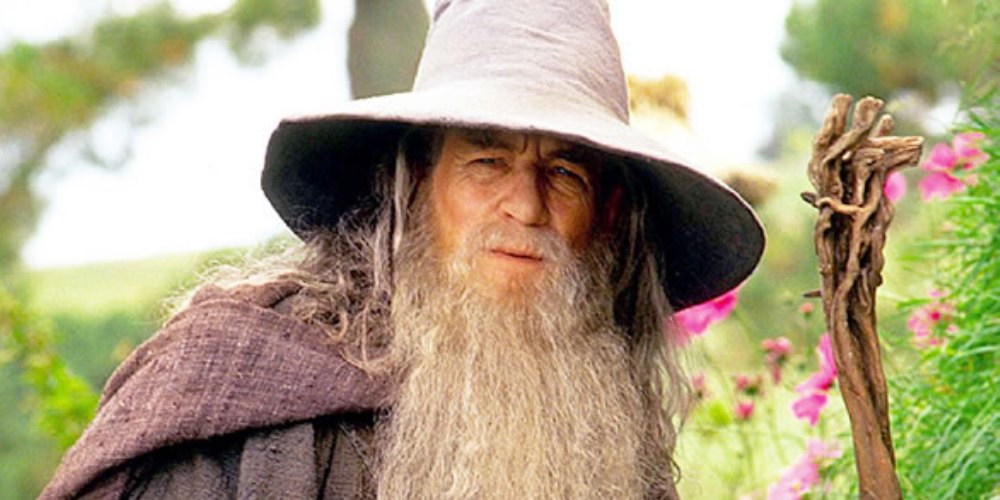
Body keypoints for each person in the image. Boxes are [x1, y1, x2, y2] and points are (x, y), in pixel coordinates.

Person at [41, 0, 764, 498]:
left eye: (565, 174)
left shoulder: (604, 420)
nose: (526, 205)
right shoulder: (235, 383)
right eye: (487, 161)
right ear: (418, 179)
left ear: (606, 213)